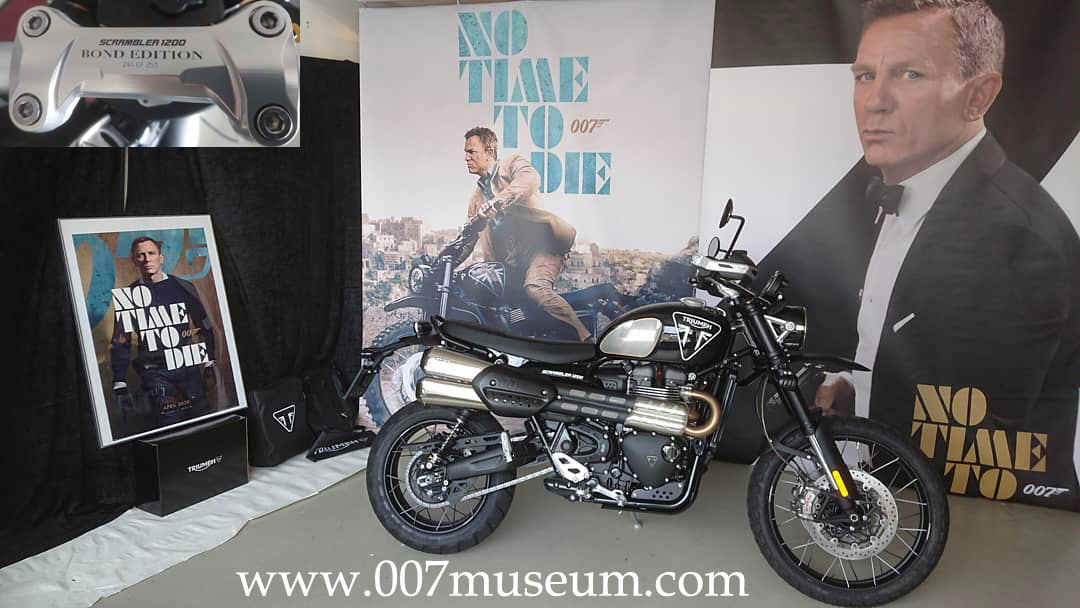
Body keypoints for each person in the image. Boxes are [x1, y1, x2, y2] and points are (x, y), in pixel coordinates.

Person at [756, 0, 1080, 503]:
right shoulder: (896, 189)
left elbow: (976, 426)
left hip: (965, 516)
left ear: (979, 96)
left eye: (910, 74)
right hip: (881, 497)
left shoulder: (1018, 238)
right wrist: (849, 385)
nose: (875, 102)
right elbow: (913, 350)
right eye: (865, 76)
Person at [461, 126, 592, 341]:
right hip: (510, 260)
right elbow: (467, 238)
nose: (466, 157)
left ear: (489, 150)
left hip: (542, 247)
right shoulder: (476, 199)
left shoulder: (512, 165)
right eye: (466, 152)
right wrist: (444, 261)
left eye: (471, 152)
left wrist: (498, 201)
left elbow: (529, 180)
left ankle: (585, 338)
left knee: (535, 288)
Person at [110, 236, 217, 428]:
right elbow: (121, 340)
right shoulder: (129, 296)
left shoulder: (182, 287)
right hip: (155, 372)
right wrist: (120, 381)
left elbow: (204, 325)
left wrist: (210, 361)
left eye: (151, 253)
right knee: (169, 425)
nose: (147, 259)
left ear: (161, 258)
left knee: (203, 421)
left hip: (188, 367)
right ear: (134, 260)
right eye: (141, 255)